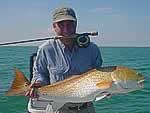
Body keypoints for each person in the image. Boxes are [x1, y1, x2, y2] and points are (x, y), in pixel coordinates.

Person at [25, 6, 103, 113]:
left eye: (70, 24)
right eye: (61, 25)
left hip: (87, 108)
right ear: (54, 26)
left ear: (76, 24)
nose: (66, 30)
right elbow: (40, 72)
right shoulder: (46, 49)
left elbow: (98, 76)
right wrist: (37, 83)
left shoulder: (92, 49)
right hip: (58, 108)